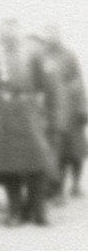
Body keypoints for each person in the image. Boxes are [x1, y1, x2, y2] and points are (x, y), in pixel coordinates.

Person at [0, 19, 58, 226]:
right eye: (5, 30)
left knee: (37, 162)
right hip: (2, 115)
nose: (10, 34)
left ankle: (38, 210)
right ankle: (15, 211)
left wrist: (50, 117)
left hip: (29, 113)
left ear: (21, 32)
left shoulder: (34, 54)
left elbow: (48, 87)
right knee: (9, 166)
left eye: (14, 29)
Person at [38, 24, 87, 198]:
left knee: (76, 151)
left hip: (71, 110)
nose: (51, 37)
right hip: (52, 110)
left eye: (54, 33)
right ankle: (57, 188)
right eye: (48, 33)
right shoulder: (41, 55)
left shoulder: (69, 54)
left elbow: (78, 80)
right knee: (57, 151)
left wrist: (82, 108)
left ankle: (75, 184)